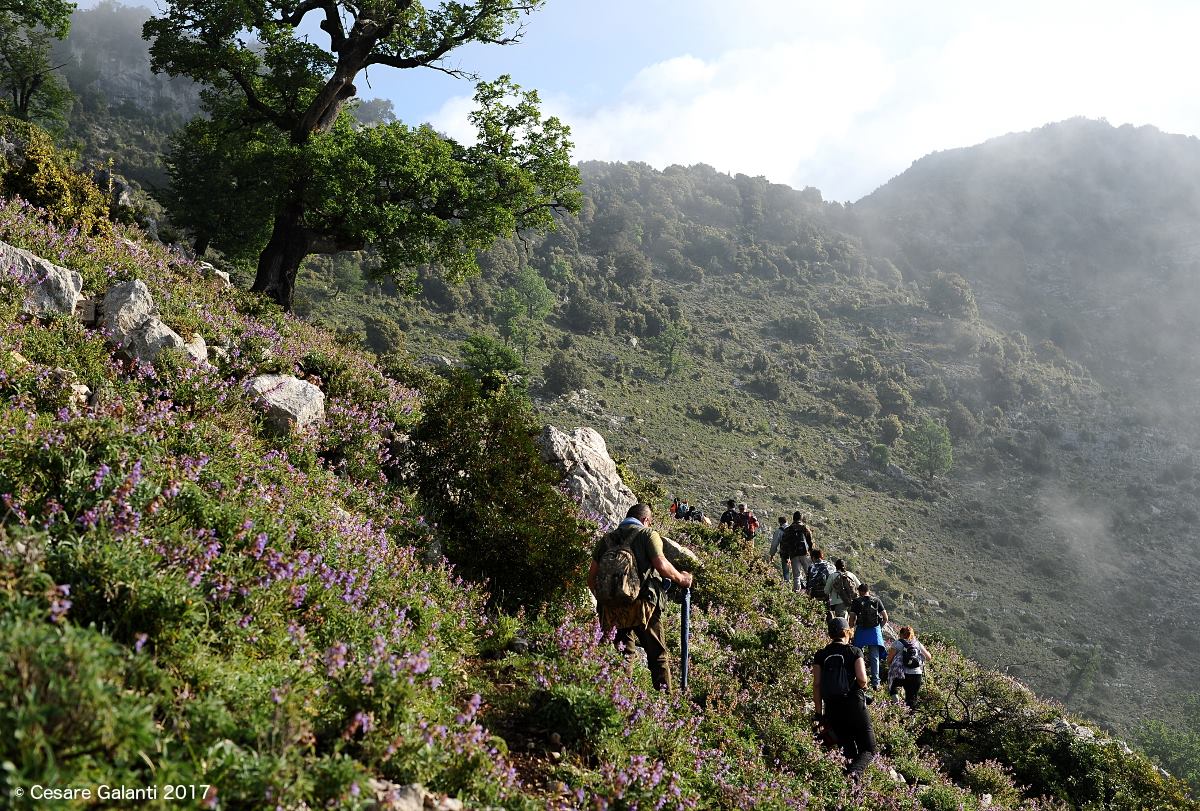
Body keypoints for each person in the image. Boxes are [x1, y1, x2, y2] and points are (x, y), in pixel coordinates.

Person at [588, 504, 694, 692]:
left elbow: (591, 578)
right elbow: (661, 564)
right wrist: (682, 579)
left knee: (624, 655)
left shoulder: (606, 539)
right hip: (643, 606)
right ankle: (665, 701)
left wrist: (608, 599)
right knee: (657, 655)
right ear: (645, 520)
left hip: (613, 610)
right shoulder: (647, 534)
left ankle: (620, 698)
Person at [812, 617, 876, 778]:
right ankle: (853, 775)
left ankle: (850, 787)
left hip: (832, 708)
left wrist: (819, 714)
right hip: (854, 704)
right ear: (847, 632)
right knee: (868, 749)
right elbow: (862, 680)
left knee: (847, 751)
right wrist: (861, 687)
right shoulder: (854, 651)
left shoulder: (821, 655)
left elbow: (817, 685)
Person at [849, 583, 889, 689]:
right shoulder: (876, 601)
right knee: (874, 656)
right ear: (868, 590)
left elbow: (852, 618)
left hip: (861, 629)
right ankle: (876, 683)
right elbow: (885, 618)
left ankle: (856, 678)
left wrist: (851, 631)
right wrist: (879, 628)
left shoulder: (856, 602)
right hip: (874, 630)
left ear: (859, 591)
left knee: (857, 655)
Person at [887, 625, 932, 708]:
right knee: (912, 698)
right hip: (916, 673)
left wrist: (891, 666)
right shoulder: (917, 643)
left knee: (893, 687)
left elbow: (889, 659)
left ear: (900, 634)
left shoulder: (897, 643)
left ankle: (898, 705)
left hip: (900, 673)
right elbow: (929, 657)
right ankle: (911, 717)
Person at [781, 512, 813, 592]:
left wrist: (785, 557)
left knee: (796, 576)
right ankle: (811, 591)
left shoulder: (788, 529)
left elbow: (784, 544)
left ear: (793, 518)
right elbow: (810, 541)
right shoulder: (805, 528)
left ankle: (796, 592)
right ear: (801, 518)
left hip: (793, 554)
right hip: (805, 554)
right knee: (809, 574)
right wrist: (811, 553)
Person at [767, 516, 790, 582]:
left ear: (779, 522)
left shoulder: (779, 531)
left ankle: (787, 584)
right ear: (787, 521)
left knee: (786, 570)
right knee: (797, 572)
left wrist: (772, 555)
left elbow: (774, 544)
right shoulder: (792, 529)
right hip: (795, 552)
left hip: (785, 553)